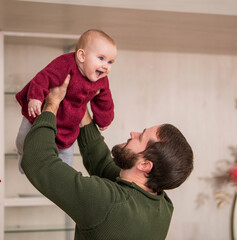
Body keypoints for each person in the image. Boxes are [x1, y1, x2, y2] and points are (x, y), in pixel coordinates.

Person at [21, 75, 194, 240]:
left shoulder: (109, 204)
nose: (133, 133)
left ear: (144, 164)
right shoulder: (162, 205)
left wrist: (52, 103)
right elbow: (103, 165)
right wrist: (80, 106)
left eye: (140, 137)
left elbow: (39, 161)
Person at [16, 29, 117, 173]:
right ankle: (22, 155)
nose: (106, 66)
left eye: (110, 62)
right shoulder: (65, 64)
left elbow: (105, 100)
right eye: (101, 58)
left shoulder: (102, 80)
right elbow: (43, 77)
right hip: (41, 114)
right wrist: (35, 97)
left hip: (69, 123)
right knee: (23, 141)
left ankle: (62, 181)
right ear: (82, 55)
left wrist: (104, 119)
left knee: (65, 158)